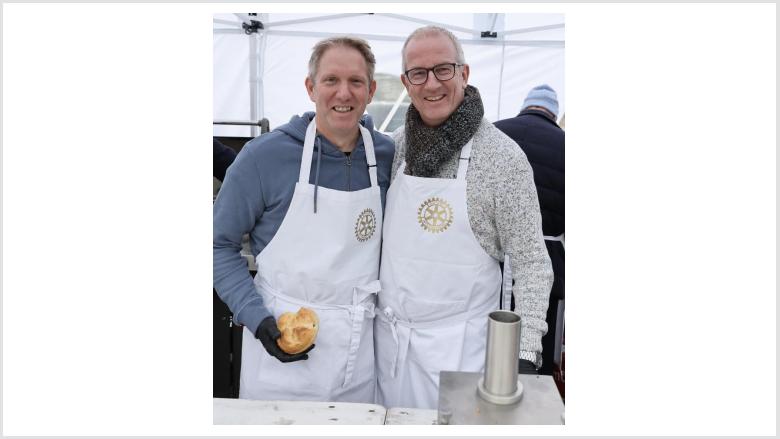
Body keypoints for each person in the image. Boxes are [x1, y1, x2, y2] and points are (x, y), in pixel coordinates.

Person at [374, 26, 554, 410]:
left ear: (464, 73)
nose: (431, 84)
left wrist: (523, 355)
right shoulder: (397, 147)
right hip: (390, 350)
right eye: (418, 73)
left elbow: (532, 264)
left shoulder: (502, 158)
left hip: (461, 355)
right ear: (406, 82)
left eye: (443, 69)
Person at [213, 36, 394, 403]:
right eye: (331, 80)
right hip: (278, 349)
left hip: (359, 359)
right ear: (311, 87)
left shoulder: (387, 155)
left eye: (356, 82)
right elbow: (218, 246)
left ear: (371, 90)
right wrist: (255, 317)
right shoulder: (263, 158)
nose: (343, 93)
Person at [494, 85, 565, 375]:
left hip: (494, 257)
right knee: (538, 335)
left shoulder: (495, 133)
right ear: (553, 113)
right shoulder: (567, 145)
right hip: (547, 257)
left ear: (525, 106)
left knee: (490, 338)